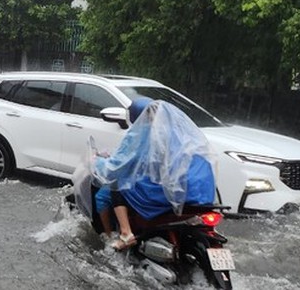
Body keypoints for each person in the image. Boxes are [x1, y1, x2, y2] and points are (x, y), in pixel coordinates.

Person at [92, 98, 217, 251]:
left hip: (171, 192)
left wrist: (97, 162)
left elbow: (119, 165)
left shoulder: (141, 133)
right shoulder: (181, 133)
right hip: (200, 194)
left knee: (118, 184)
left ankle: (124, 233)